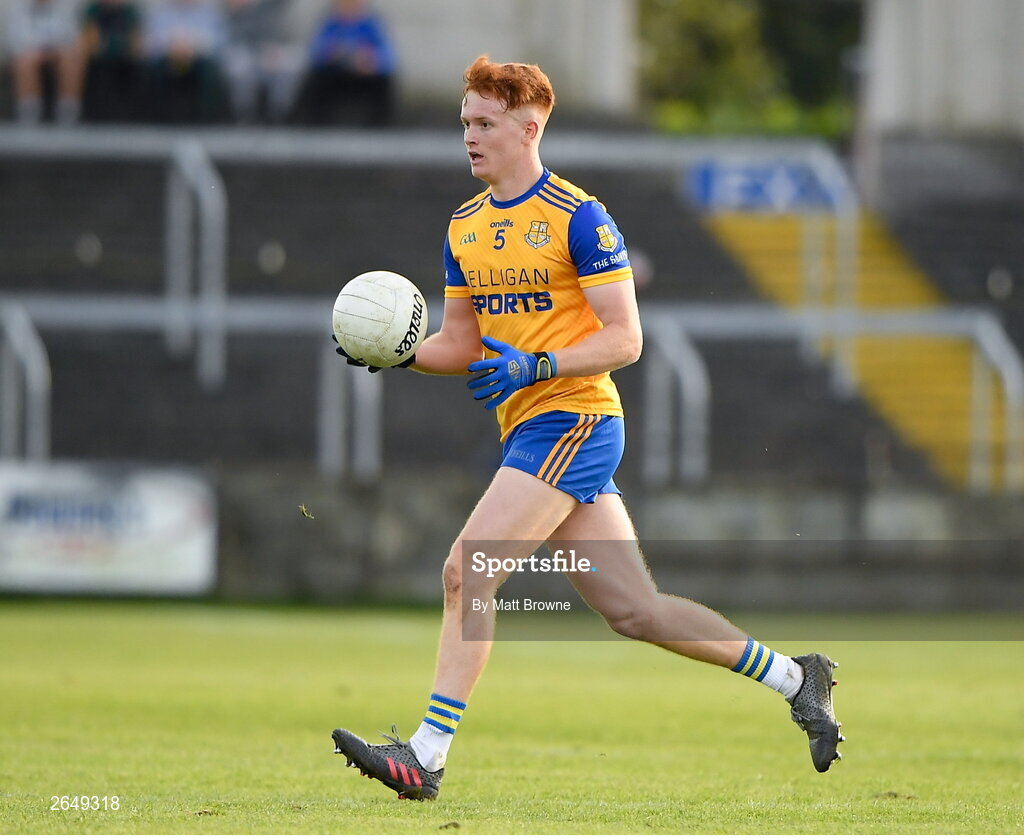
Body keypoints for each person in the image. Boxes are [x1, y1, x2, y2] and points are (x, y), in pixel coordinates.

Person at [330, 55, 844, 801]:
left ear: (528, 126)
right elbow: (462, 344)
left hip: (576, 416)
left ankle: (427, 756)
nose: (469, 137)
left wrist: (537, 367)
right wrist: (399, 354)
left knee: (467, 571)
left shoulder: (579, 215)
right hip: (532, 425)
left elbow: (625, 338)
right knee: (637, 611)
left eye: (484, 123)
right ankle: (799, 679)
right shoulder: (464, 227)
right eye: (465, 123)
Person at [292, 0, 394, 126]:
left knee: (384, 81)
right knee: (316, 78)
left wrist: (371, 59)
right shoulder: (330, 24)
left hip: (363, 77)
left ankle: (379, 124)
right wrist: (331, 54)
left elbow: (389, 56)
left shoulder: (371, 25)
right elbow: (314, 51)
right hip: (336, 75)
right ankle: (314, 123)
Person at [140, 0, 228, 123]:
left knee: (209, 69)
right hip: (167, 57)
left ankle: (206, 116)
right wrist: (173, 46)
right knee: (156, 67)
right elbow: (151, 43)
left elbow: (218, 43)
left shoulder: (210, 14)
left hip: (199, 58)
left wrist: (192, 47)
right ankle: (159, 115)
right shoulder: (162, 14)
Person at [222, 0, 304, 123]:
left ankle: (278, 113)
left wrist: (275, 51)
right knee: (240, 64)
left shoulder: (281, 9)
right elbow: (239, 35)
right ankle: (245, 113)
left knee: (292, 63)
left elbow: (291, 37)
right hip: (250, 51)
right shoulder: (244, 9)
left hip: (278, 52)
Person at [7, 0, 83, 124]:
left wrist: (51, 50)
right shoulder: (19, 10)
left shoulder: (64, 9)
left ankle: (68, 110)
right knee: (25, 61)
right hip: (30, 54)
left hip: (57, 54)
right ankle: (29, 112)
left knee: (71, 59)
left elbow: (71, 38)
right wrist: (38, 51)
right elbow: (15, 41)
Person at [79, 0, 143, 123]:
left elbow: (135, 40)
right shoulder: (93, 10)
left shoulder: (130, 12)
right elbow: (90, 39)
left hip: (126, 58)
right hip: (99, 58)